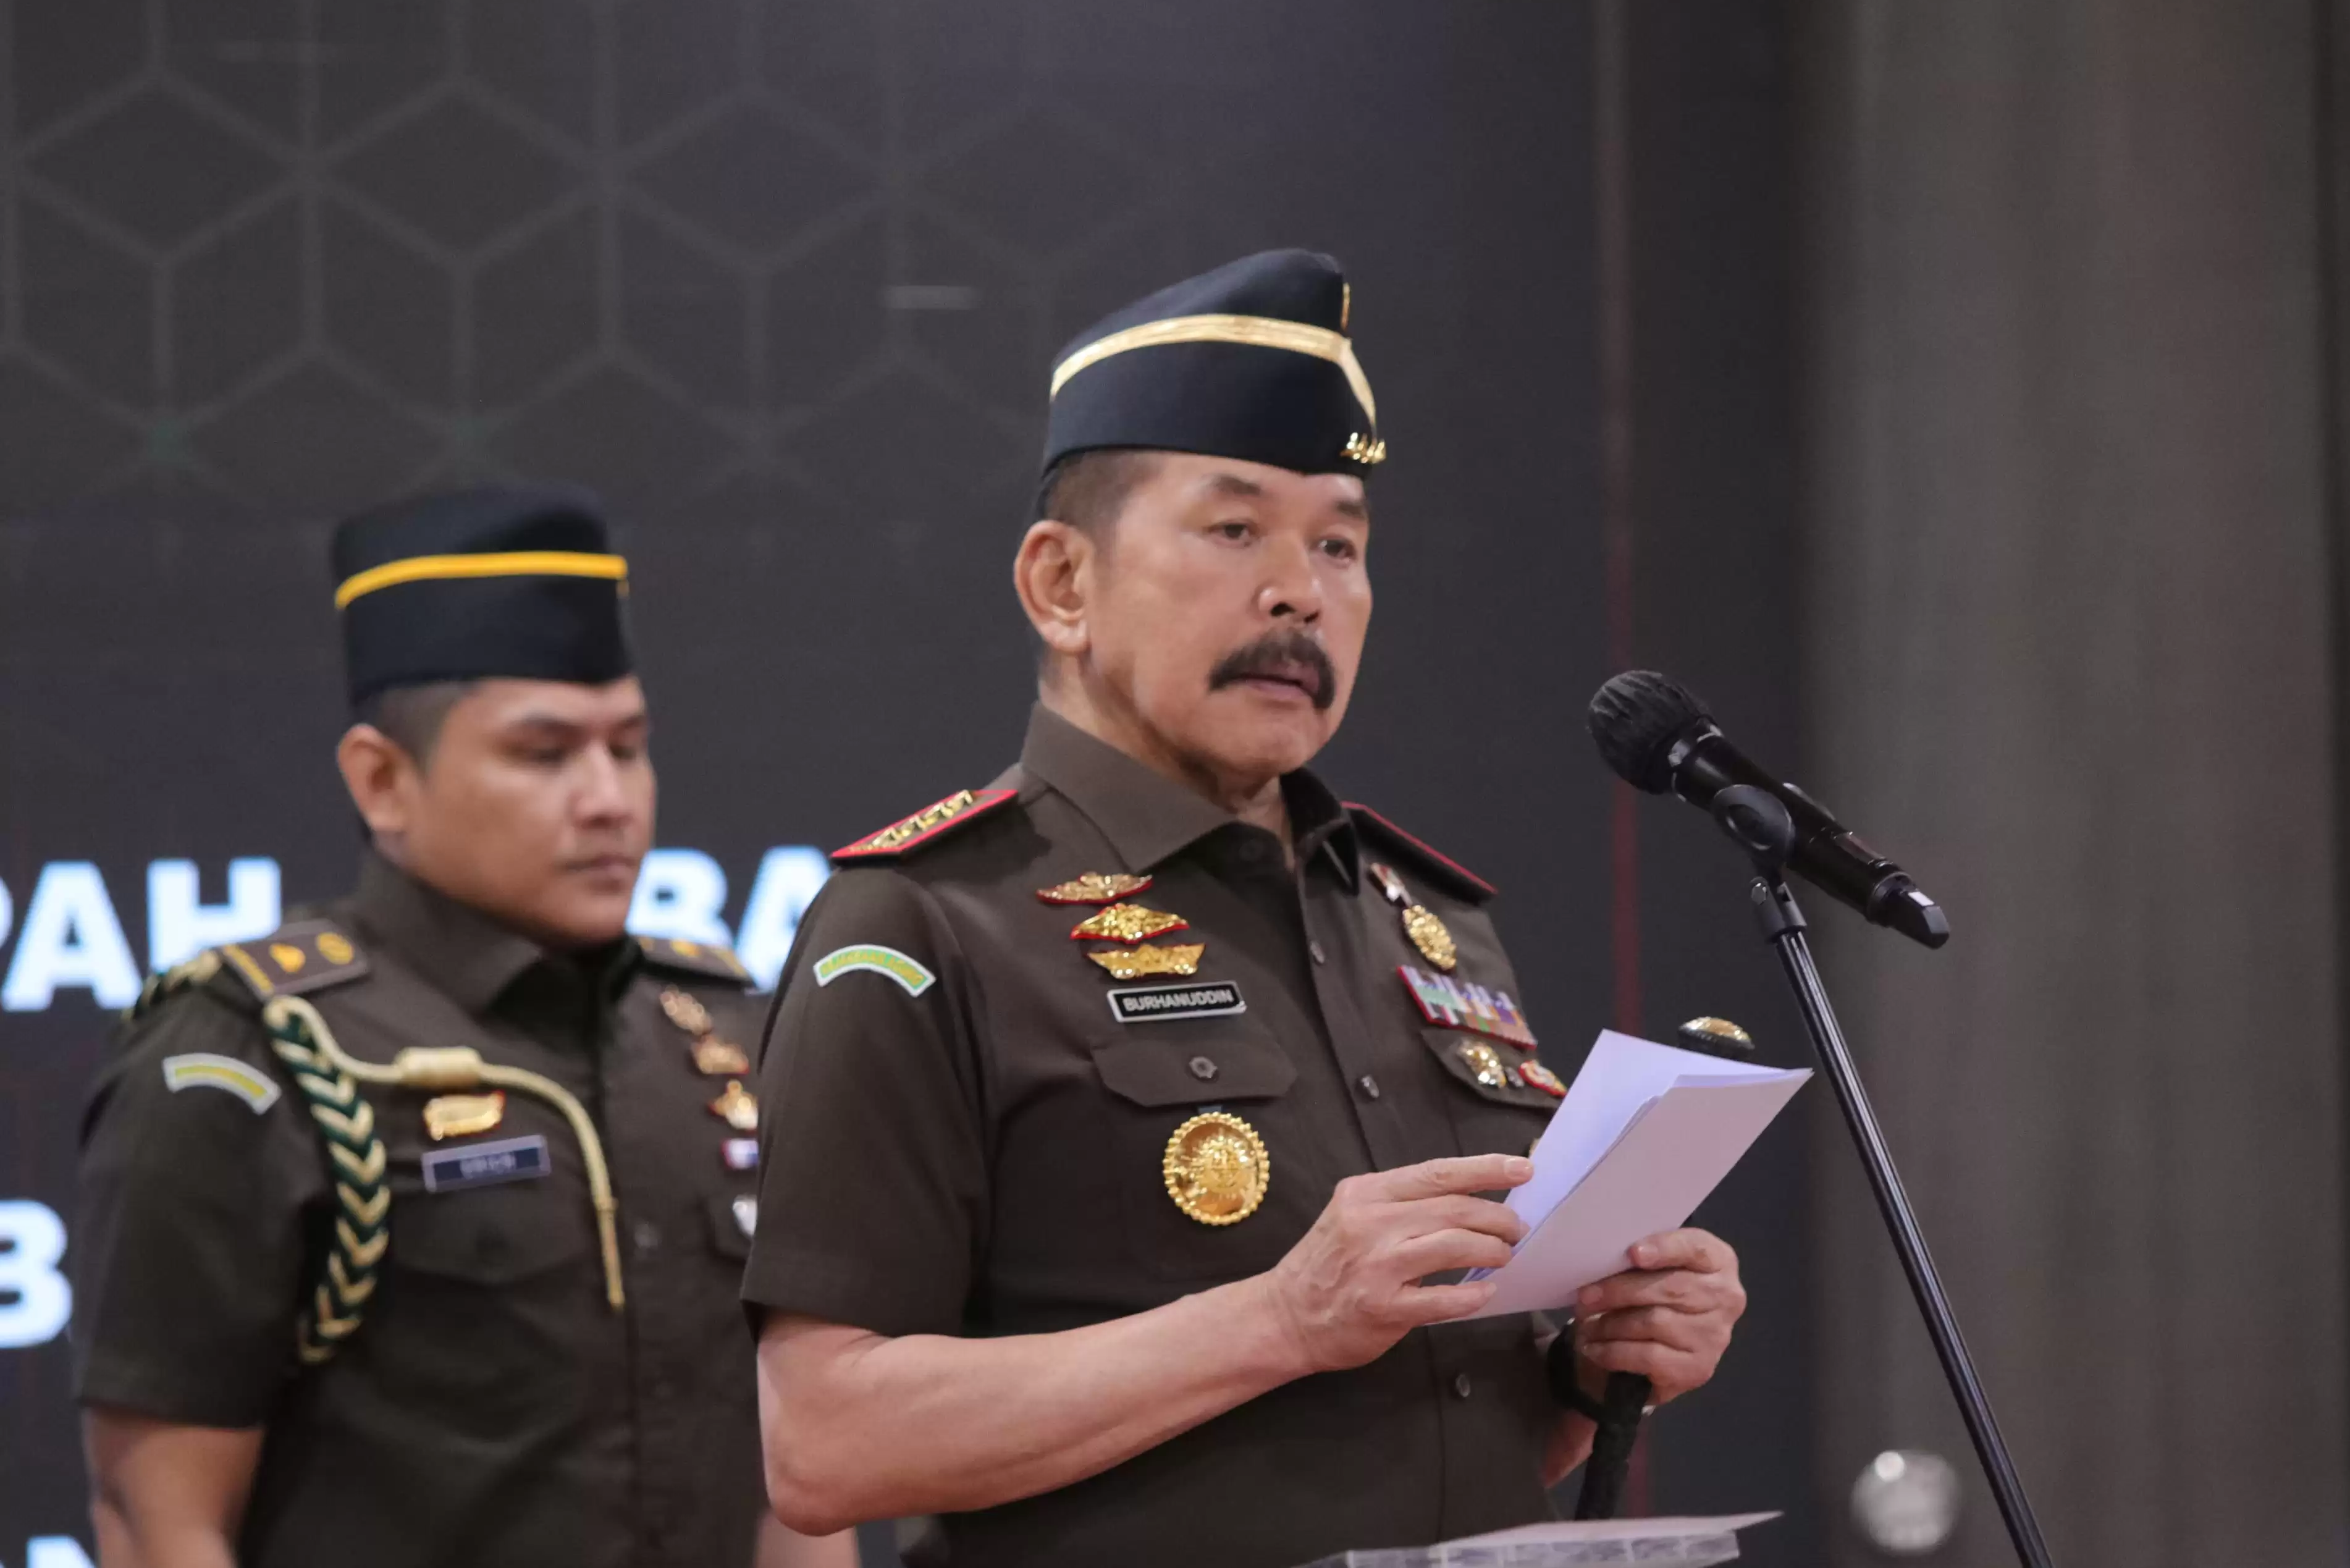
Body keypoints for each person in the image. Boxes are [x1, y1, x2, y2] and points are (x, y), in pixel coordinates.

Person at [748, 251, 1749, 1567]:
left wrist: (1590, 1371)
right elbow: (825, 1443)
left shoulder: (1426, 918)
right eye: (1234, 532)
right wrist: (1279, 1320)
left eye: (1339, 543)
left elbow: (1437, 1433)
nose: (1300, 592)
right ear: (1061, 585)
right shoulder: (925, 923)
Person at [69, 485, 851, 1568]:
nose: (609, 799)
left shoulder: (718, 1034)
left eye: (628, 747)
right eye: (544, 754)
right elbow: (156, 1521)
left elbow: (796, 1482)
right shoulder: (249, 1059)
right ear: (382, 780)